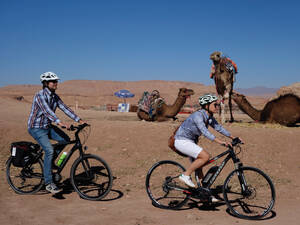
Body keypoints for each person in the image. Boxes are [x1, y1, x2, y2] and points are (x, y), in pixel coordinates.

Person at [27, 72, 85, 194]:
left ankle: (51, 162)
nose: (56, 83)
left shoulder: (54, 96)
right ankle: (48, 183)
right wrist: (60, 123)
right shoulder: (40, 95)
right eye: (53, 81)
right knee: (49, 150)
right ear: (46, 83)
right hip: (36, 128)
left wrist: (78, 119)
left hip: (47, 126)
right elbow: (48, 112)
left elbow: (64, 108)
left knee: (65, 139)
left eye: (56, 81)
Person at [174, 94, 237, 190]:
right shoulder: (198, 116)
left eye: (217, 105)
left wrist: (233, 137)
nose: (217, 107)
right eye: (215, 105)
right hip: (182, 140)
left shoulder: (209, 117)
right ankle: (185, 175)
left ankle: (204, 193)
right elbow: (205, 132)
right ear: (206, 105)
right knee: (205, 156)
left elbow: (218, 128)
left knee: (199, 165)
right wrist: (221, 142)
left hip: (190, 141)